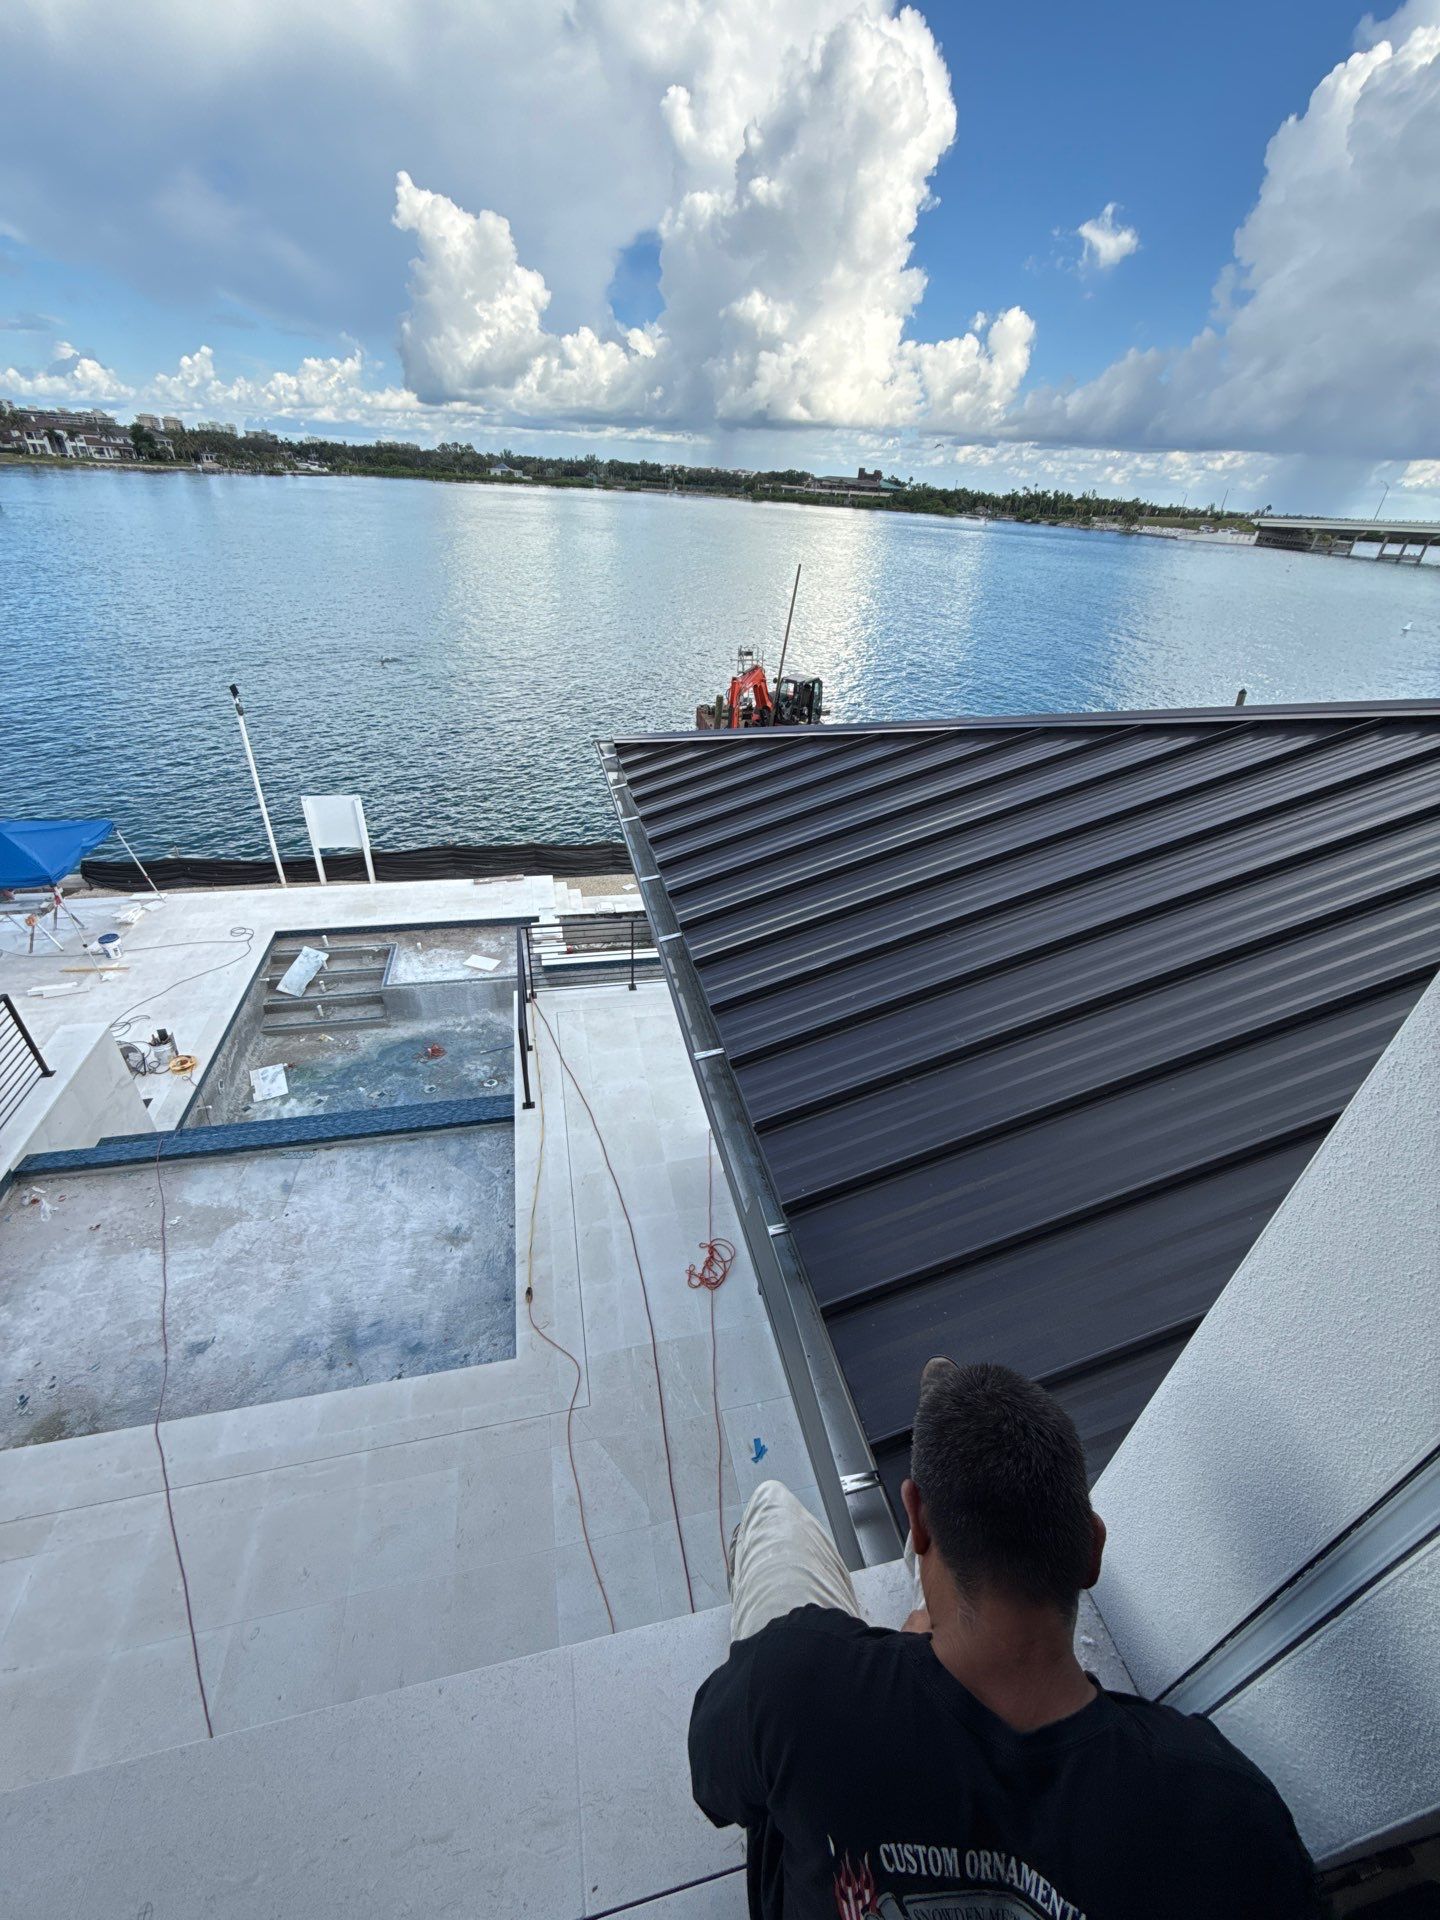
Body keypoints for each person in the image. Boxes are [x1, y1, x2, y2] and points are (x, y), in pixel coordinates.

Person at [689, 1357, 1319, 1920]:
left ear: (911, 1514)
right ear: (1092, 1551)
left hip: (849, 1687)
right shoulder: (1228, 1812)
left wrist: (889, 1667)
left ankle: (940, 1581)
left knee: (774, 1510)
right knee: (956, 1585)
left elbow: (717, 1783)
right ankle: (944, 1598)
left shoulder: (796, 1681)